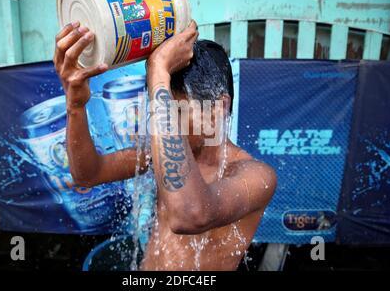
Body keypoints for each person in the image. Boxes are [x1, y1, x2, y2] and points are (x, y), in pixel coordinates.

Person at [53, 20, 277, 271]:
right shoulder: (159, 156)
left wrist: (159, 71)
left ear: (218, 108)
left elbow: (190, 214)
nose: (164, 128)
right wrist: (75, 106)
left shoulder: (255, 176)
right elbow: (88, 174)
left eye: (173, 113)